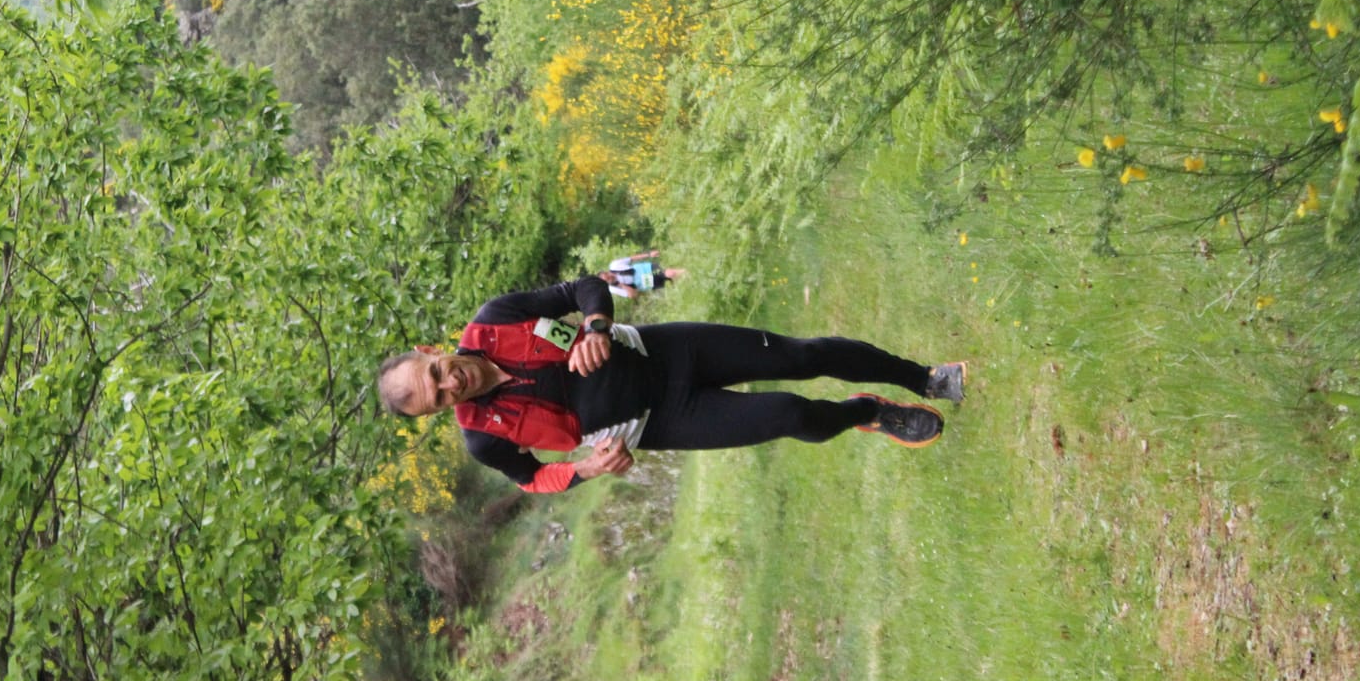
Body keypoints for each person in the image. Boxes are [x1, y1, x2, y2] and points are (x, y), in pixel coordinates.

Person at [376, 275, 965, 493]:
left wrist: (595, 326)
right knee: (790, 415)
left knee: (803, 355)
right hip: (663, 422)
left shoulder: (495, 318)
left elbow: (582, 288)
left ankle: (925, 378)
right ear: (437, 413)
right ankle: (866, 412)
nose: (451, 384)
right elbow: (532, 480)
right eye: (439, 399)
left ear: (430, 352)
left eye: (436, 372)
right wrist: (587, 469)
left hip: (670, 350)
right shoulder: (483, 438)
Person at [600, 248, 685, 298]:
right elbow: (634, 294)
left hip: (646, 268)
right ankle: (686, 278)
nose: (610, 277)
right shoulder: (613, 288)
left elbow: (632, 258)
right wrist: (621, 285)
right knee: (670, 281)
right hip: (647, 283)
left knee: (669, 273)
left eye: (607, 275)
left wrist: (649, 254)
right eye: (607, 279)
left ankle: (686, 272)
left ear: (606, 272)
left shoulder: (614, 265)